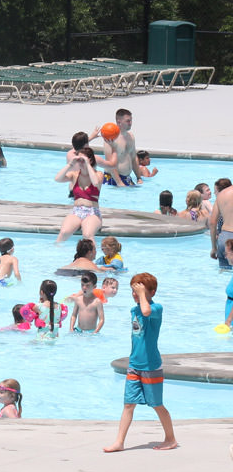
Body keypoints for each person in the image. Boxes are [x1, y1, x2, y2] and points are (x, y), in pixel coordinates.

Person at [103, 273, 177, 452]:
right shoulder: (134, 310)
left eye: (139, 290)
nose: (135, 294)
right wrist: (141, 295)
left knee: (156, 404)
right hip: (134, 364)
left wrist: (143, 294)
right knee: (128, 404)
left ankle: (171, 438)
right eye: (133, 291)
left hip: (151, 366)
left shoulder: (156, 308)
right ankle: (119, 442)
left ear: (152, 291)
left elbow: (147, 311)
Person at [54, 134, 103, 242]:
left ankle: (91, 257)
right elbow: (57, 179)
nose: (80, 162)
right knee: (64, 233)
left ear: (90, 160)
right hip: (77, 211)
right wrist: (70, 164)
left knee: (87, 234)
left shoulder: (98, 174)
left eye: (82, 160)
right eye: (79, 160)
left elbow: (95, 182)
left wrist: (87, 163)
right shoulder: (74, 174)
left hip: (92, 212)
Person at [95, 108, 137, 187]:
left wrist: (139, 177)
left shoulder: (130, 136)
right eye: (128, 121)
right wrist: (119, 182)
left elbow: (134, 158)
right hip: (113, 180)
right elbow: (110, 163)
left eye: (131, 120)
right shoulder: (111, 139)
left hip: (127, 178)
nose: (130, 123)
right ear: (119, 122)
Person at [213, 177, 233, 268]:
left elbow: (212, 222)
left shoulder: (222, 194)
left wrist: (214, 247)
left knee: (225, 272)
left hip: (225, 237)